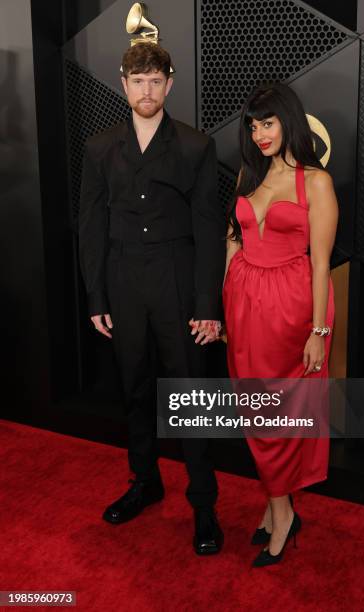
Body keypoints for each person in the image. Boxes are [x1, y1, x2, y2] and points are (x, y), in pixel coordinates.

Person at [79, 42, 225, 555]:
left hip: (176, 280)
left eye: (155, 80)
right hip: (121, 280)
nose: (146, 90)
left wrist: (207, 305)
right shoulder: (99, 149)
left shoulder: (195, 147)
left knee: (189, 395)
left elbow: (210, 231)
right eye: (137, 81)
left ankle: (204, 504)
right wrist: (96, 294)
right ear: (123, 83)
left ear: (169, 83)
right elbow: (91, 226)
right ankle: (145, 481)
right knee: (135, 388)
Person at [222, 83, 338, 567]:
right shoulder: (249, 174)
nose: (260, 133)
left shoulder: (315, 182)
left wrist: (318, 331)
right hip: (246, 307)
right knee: (255, 412)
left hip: (292, 311)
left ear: (289, 120)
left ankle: (281, 514)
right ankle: (279, 507)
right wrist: (228, 297)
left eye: (267, 122)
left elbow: (320, 263)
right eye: (253, 125)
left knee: (281, 419)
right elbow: (232, 238)